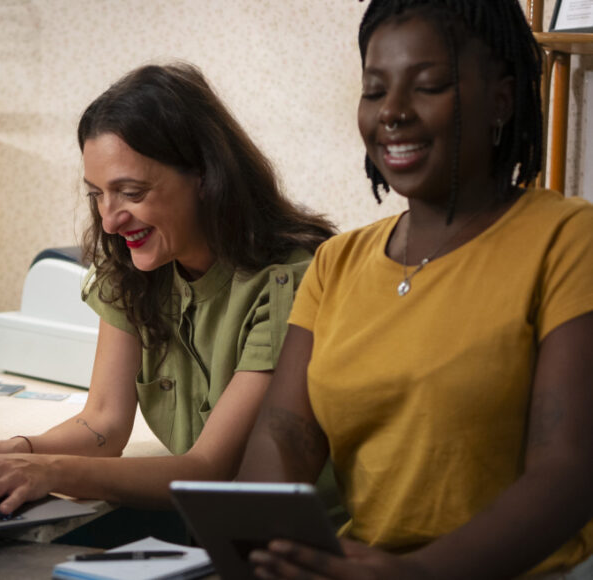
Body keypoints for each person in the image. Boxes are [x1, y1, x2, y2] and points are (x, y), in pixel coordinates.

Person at [238, 1, 593, 578]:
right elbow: (283, 441)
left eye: (427, 86)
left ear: (501, 100)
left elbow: (570, 473)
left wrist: (419, 574)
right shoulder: (336, 263)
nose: (393, 113)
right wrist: (265, 547)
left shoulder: (568, 239)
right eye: (374, 91)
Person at [0, 62, 335, 516]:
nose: (109, 219)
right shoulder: (139, 271)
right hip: (217, 532)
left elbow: (210, 469)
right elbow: (102, 423)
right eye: (97, 194)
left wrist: (47, 470)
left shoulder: (290, 282)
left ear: (205, 175)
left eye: (132, 192)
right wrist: (4, 453)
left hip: (300, 545)